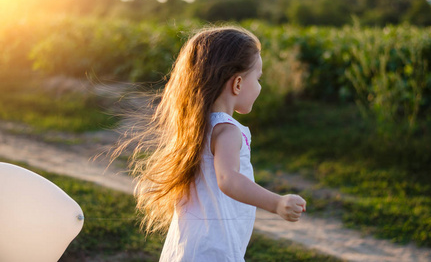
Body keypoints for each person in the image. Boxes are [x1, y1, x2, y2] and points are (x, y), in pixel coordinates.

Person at [115, 26, 306, 261]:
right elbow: (228, 179)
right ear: (237, 84)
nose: (260, 87)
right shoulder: (228, 131)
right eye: (258, 78)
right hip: (213, 251)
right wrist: (277, 203)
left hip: (187, 248)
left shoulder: (196, 127)